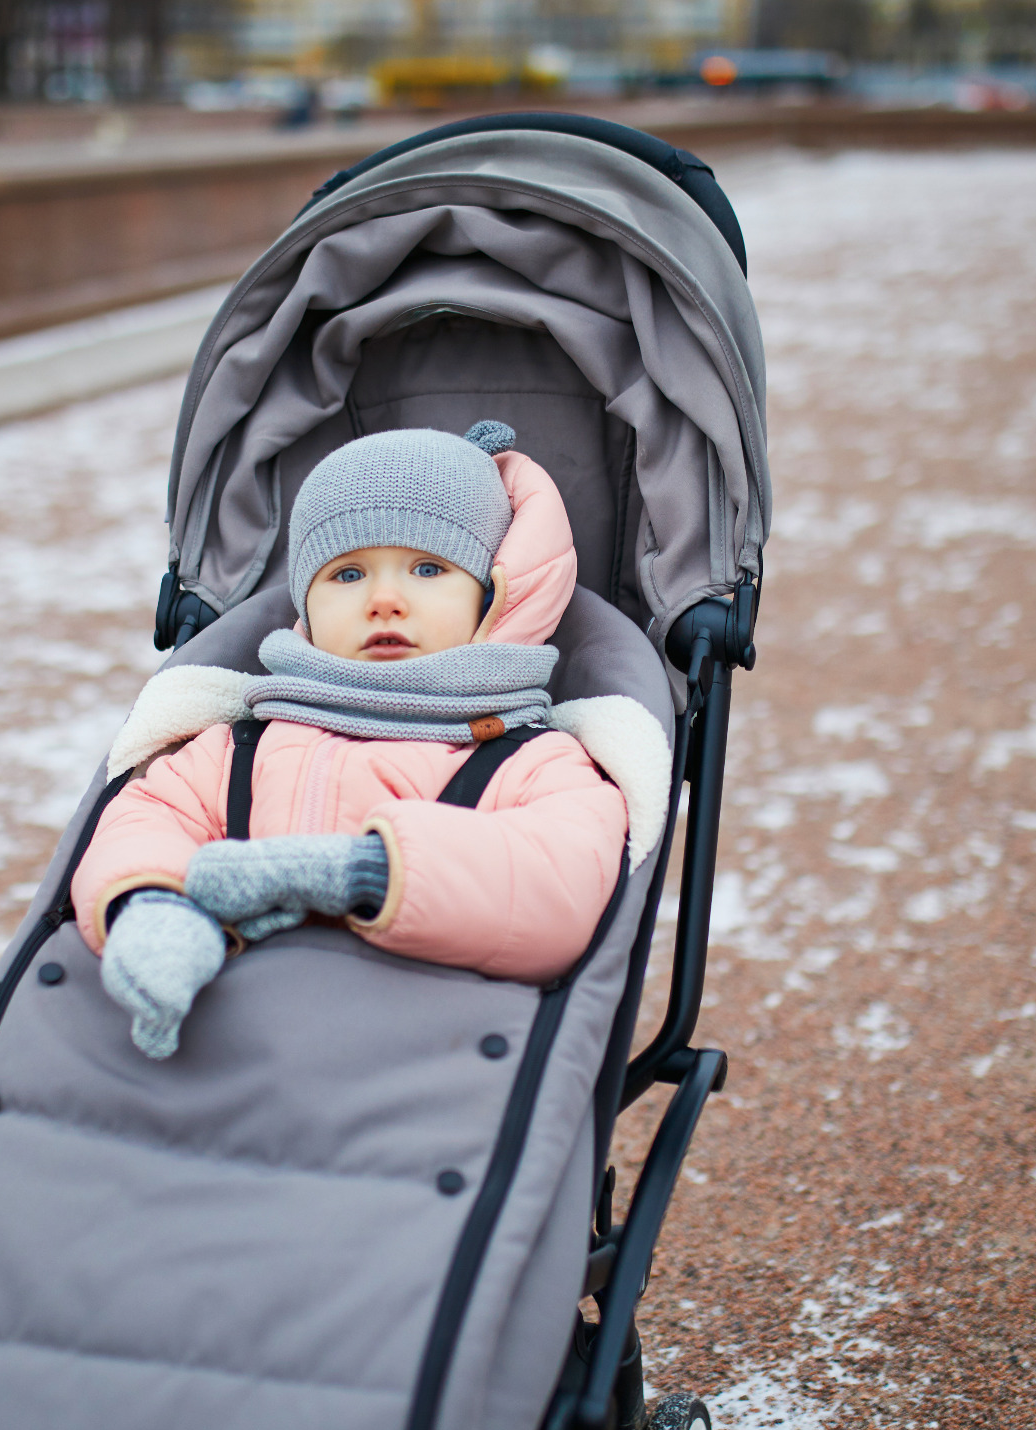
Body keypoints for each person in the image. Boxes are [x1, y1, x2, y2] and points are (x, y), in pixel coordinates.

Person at [72, 422, 631, 1059]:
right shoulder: (238, 747)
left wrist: (364, 873)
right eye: (346, 574)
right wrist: (152, 906)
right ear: (303, 607)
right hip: (230, 1051)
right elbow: (145, 819)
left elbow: (559, 883)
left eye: (427, 568)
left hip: (417, 1062)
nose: (384, 600)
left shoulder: (532, 759)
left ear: (492, 597)